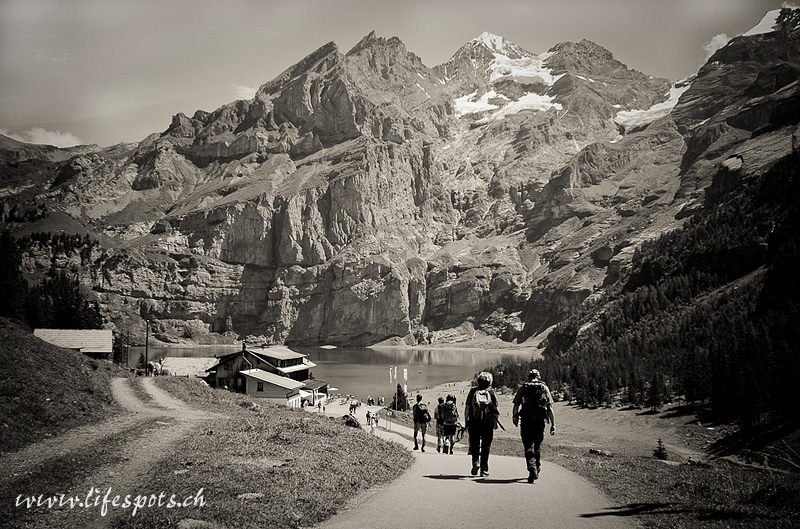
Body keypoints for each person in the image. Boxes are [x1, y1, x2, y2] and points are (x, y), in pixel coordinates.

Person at [513, 369, 556, 483]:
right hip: (540, 421)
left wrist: (515, 417)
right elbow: (550, 408)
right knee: (537, 446)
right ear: (538, 376)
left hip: (526, 421)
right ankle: (537, 466)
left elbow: (516, 404)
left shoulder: (524, 387)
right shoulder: (544, 388)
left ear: (529, 376)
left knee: (528, 445)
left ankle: (532, 468)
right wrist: (553, 424)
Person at [464, 372, 499, 477]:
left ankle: (476, 462)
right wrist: (495, 422)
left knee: (474, 444)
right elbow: (495, 409)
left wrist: (466, 421)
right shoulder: (491, 392)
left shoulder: (473, 391)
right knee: (486, 446)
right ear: (490, 381)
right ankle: (484, 469)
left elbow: (467, 408)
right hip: (487, 423)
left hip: (474, 422)